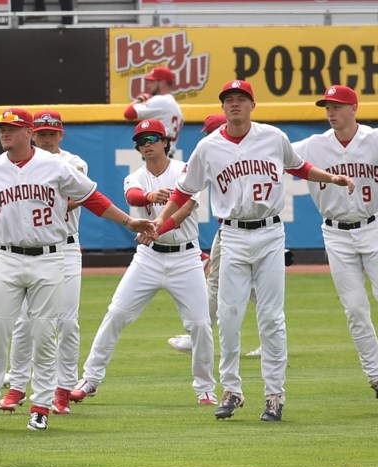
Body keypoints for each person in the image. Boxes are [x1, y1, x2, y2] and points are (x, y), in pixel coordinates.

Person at [0, 108, 155, 432]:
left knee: (43, 332)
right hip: (8, 258)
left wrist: (128, 220)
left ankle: (41, 405)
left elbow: (91, 197)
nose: (4, 133)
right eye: (1, 128)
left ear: (28, 132)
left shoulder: (55, 166)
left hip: (50, 256)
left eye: (11, 128)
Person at [154, 80, 354, 422]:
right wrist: (159, 223)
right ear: (222, 107)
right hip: (231, 234)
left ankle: (275, 395)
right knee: (229, 316)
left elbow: (298, 167)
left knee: (272, 316)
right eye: (229, 100)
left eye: (241, 99)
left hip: (270, 232)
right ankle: (231, 389)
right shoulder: (208, 147)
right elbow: (184, 191)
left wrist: (330, 178)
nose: (234, 104)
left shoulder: (273, 137)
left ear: (252, 105)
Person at [70, 119, 216, 405]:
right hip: (148, 258)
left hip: (185, 257)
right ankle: (90, 379)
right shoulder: (135, 176)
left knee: (200, 324)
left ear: (165, 141)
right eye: (141, 141)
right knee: (116, 314)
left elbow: (186, 207)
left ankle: (205, 389)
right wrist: (150, 197)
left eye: (152, 138)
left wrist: (157, 227)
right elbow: (132, 195)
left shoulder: (183, 171)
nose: (147, 144)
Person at [0, 109, 88, 416]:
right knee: (25, 321)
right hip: (33, 250)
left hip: (66, 248)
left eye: (52, 134)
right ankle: (17, 386)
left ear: (61, 135)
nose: (47, 139)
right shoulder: (20, 166)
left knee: (66, 320)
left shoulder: (73, 162)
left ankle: (62, 390)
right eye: (42, 134)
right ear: (32, 135)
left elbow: (80, 194)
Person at [293, 85, 378, 398]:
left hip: (373, 228)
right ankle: (376, 376)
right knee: (355, 309)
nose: (331, 112)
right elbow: (273, 155)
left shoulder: (374, 140)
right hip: (336, 233)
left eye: (338, 106)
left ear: (354, 108)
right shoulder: (313, 146)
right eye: (327, 107)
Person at [167, 113, 261, 358]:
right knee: (249, 286)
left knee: (220, 283)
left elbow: (187, 186)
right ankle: (271, 338)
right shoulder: (234, 151)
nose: (208, 138)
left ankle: (198, 337)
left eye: (209, 132)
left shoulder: (224, 153)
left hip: (240, 229)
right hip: (245, 228)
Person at [124, 66, 184, 144]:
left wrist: (141, 98)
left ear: (162, 83)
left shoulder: (160, 100)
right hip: (169, 152)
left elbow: (129, 113)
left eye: (152, 82)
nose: (149, 85)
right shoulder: (176, 105)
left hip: (159, 153)